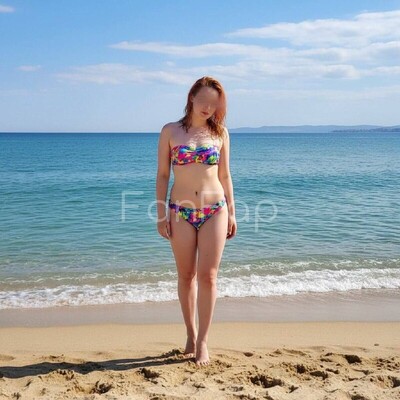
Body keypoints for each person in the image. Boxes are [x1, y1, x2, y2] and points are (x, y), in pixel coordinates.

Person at [156, 76, 237, 366]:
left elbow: (225, 175)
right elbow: (163, 175)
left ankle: (203, 342)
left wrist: (233, 212)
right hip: (180, 211)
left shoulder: (220, 133)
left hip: (215, 209)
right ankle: (190, 334)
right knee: (186, 275)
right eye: (203, 101)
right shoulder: (170, 131)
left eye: (214, 104)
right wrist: (161, 214)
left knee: (209, 276)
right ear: (191, 97)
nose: (208, 108)